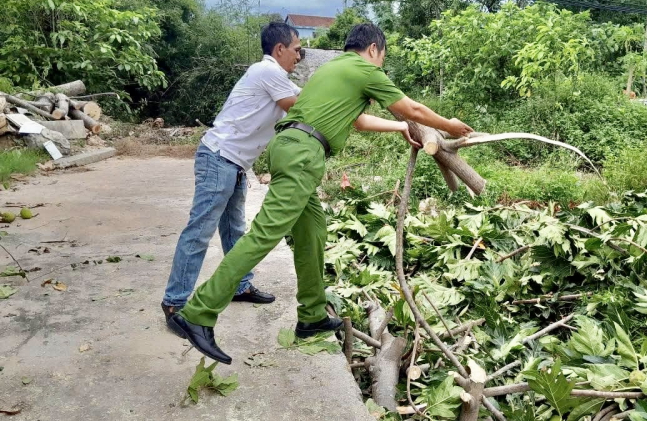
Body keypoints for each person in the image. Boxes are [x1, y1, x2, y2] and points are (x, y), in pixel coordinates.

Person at [169, 23, 473, 363]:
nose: (381, 66)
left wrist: (402, 128)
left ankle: (311, 315)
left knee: (312, 229)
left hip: (292, 147)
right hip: (303, 153)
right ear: (374, 49)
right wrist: (449, 125)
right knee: (264, 235)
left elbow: (359, 121)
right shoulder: (362, 68)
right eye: (382, 58)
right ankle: (198, 312)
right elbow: (411, 108)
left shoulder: (334, 70)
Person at [161, 22, 304, 337]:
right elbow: (303, 106)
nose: (299, 56)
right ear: (279, 49)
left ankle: (240, 286)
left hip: (235, 164)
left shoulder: (277, 78)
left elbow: (306, 100)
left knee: (234, 231)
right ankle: (175, 304)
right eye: (297, 50)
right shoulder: (267, 72)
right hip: (219, 159)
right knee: (199, 232)